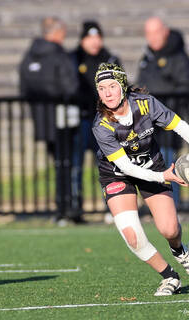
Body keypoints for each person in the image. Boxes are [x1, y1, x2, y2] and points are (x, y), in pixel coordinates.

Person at [92, 62, 189, 296]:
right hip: (117, 175)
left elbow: (181, 127)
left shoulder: (146, 104)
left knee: (169, 230)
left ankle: (181, 253)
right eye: (102, 88)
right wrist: (164, 176)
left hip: (151, 165)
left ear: (123, 86)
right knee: (132, 234)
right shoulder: (101, 126)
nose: (107, 93)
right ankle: (169, 277)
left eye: (112, 86)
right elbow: (126, 167)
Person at [19, 16, 78, 222]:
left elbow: (24, 87)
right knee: (67, 163)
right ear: (57, 32)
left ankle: (61, 208)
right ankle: (67, 208)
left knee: (58, 163)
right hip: (62, 118)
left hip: (42, 119)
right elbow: (70, 85)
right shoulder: (58, 54)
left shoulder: (29, 54)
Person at [69, 20, 121, 222]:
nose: (94, 42)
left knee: (108, 164)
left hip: (104, 120)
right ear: (83, 40)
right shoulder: (74, 58)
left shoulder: (110, 58)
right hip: (82, 119)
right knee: (77, 164)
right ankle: (76, 209)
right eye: (90, 38)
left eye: (97, 37)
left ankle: (112, 207)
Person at [137, 16, 189, 208]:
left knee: (170, 164)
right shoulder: (147, 56)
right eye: (148, 34)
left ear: (165, 32)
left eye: (156, 32)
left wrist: (162, 101)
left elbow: (184, 85)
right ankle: (156, 206)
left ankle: (172, 206)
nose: (152, 38)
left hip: (169, 120)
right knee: (151, 163)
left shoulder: (177, 56)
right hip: (148, 123)